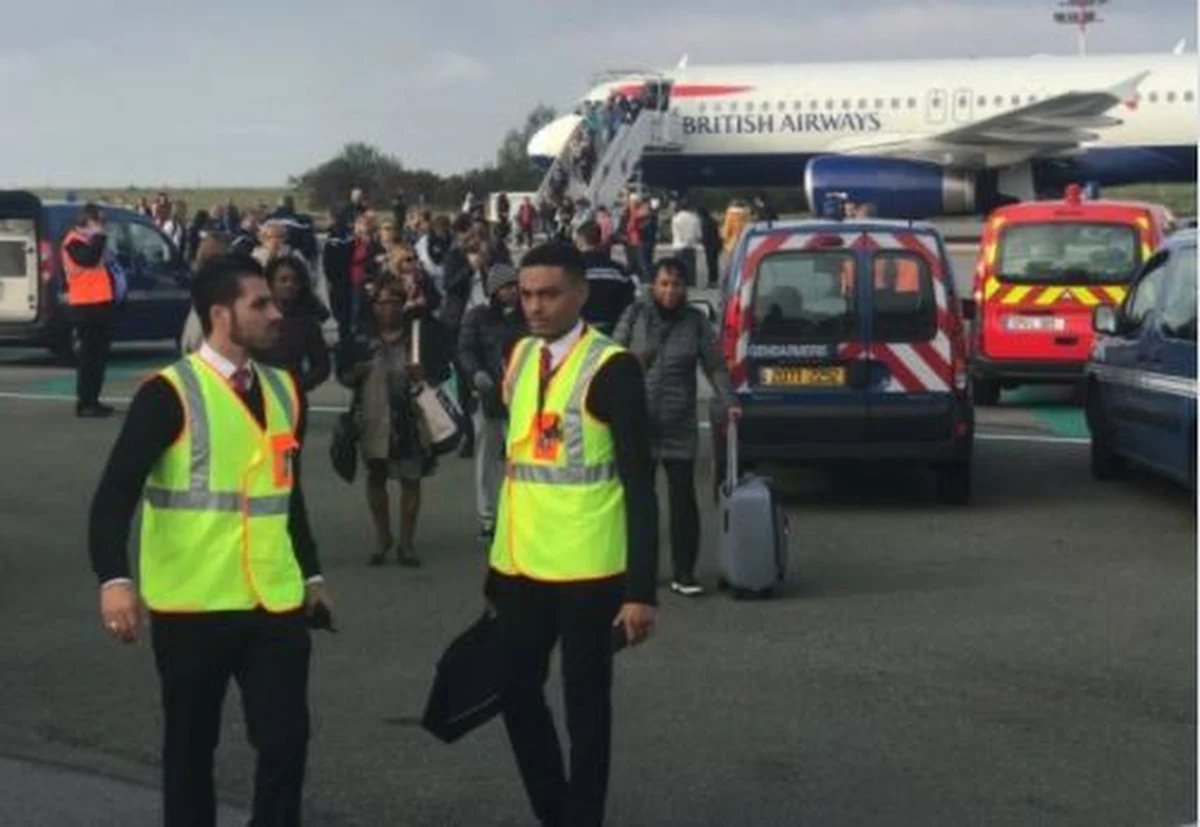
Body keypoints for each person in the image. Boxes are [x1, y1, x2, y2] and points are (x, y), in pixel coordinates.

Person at [88, 252, 333, 827]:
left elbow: (287, 495)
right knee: (191, 752)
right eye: (262, 303)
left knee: (285, 743)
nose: (277, 312)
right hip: (193, 606)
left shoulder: (284, 390)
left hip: (273, 603)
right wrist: (114, 580)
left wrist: (314, 576)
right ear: (222, 315)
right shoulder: (167, 394)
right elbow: (114, 495)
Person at [486, 242, 658, 827]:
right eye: (526, 294)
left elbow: (640, 483)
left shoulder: (612, 369)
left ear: (580, 293)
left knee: (586, 709)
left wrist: (641, 591)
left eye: (548, 294)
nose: (534, 306)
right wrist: (495, 566)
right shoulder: (519, 356)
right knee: (514, 691)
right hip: (520, 565)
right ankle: (557, 812)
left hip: (589, 568)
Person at [613, 258, 740, 596]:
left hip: (679, 422)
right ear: (653, 285)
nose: (670, 290)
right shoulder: (636, 315)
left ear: (686, 288)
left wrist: (730, 402)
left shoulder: (696, 322)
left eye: (677, 284)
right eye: (664, 283)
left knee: (683, 500)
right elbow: (611, 358)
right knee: (641, 503)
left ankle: (685, 573)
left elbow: (715, 367)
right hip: (639, 423)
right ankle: (641, 572)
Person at [340, 276, 449, 567]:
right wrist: (357, 373)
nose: (387, 308)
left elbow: (442, 368)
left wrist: (424, 373)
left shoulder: (418, 335)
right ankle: (382, 537)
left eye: (393, 302)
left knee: (411, 479)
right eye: (381, 303)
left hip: (410, 417)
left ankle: (407, 543)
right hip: (374, 417)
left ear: (403, 305)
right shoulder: (361, 338)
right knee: (375, 478)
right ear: (373, 306)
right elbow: (343, 373)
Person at [457, 263, 527, 542]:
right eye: (507, 287)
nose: (513, 291)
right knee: (486, 460)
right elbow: (465, 348)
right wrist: (475, 373)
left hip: (522, 399)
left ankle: (520, 514)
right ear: (494, 291)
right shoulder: (478, 317)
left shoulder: (527, 318)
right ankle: (487, 516)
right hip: (488, 398)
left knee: (521, 460)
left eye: (515, 286)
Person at [61, 202, 119, 417]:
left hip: (100, 306)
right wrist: (100, 237)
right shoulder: (73, 242)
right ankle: (84, 402)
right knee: (89, 359)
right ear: (87, 221)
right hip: (85, 308)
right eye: (99, 221)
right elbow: (89, 259)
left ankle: (94, 399)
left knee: (100, 357)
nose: (103, 226)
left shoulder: (90, 241)